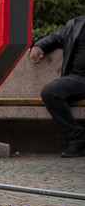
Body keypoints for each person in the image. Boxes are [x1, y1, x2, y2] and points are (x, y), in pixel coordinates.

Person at [24, 17, 85, 157]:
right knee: (51, 91)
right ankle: (78, 139)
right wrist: (39, 46)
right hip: (78, 78)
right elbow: (56, 37)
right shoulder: (76, 24)